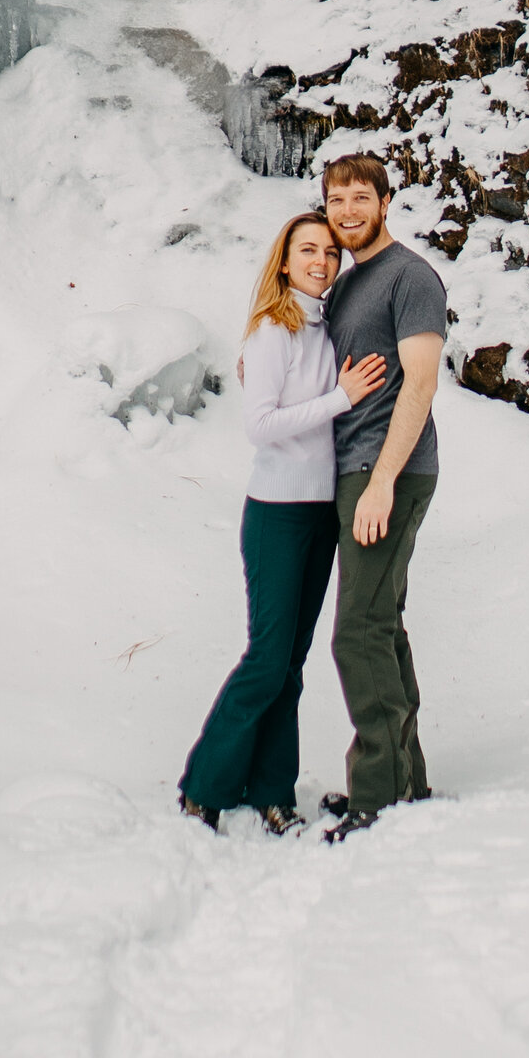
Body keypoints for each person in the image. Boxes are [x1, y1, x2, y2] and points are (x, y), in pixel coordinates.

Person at [178, 212, 387, 832]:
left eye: (329, 252)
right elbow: (260, 426)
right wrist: (341, 398)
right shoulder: (274, 330)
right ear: (285, 261)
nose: (321, 260)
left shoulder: (324, 330)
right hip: (275, 513)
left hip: (320, 515)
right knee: (268, 659)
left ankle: (271, 790)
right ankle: (204, 785)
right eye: (307, 250)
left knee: (291, 663)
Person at [319, 153, 449, 835]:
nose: (346, 211)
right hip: (354, 472)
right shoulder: (346, 286)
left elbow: (419, 386)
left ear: (386, 201)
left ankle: (378, 797)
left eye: (359, 197)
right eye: (336, 199)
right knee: (382, 624)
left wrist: (381, 483)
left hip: (389, 473)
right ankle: (405, 780)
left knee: (357, 632)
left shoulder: (410, 277)